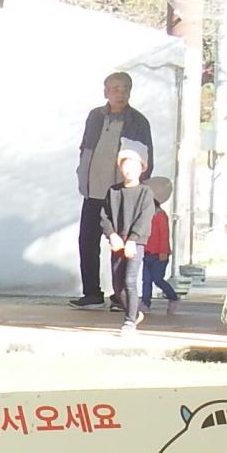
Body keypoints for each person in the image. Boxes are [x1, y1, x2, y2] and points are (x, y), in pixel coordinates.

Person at [72, 72, 153, 310]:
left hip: (120, 194)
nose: (120, 93)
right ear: (105, 92)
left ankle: (120, 297)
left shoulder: (138, 120)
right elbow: (85, 148)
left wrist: (138, 187)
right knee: (87, 241)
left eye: (125, 88)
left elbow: (145, 156)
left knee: (120, 245)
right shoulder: (95, 116)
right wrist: (81, 173)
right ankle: (91, 293)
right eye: (115, 88)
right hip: (93, 189)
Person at [103, 143, 155, 332]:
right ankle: (133, 312)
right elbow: (104, 217)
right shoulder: (113, 191)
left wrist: (133, 239)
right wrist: (112, 235)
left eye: (133, 166)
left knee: (130, 281)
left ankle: (129, 321)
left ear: (141, 169)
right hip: (118, 242)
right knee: (117, 286)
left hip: (136, 243)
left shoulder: (145, 193)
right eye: (125, 165)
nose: (128, 170)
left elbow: (144, 218)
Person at [142, 175, 182, 314]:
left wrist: (163, 252)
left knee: (157, 279)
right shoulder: (145, 215)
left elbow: (164, 235)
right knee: (146, 280)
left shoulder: (160, 215)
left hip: (159, 254)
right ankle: (145, 303)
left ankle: (174, 298)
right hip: (146, 252)